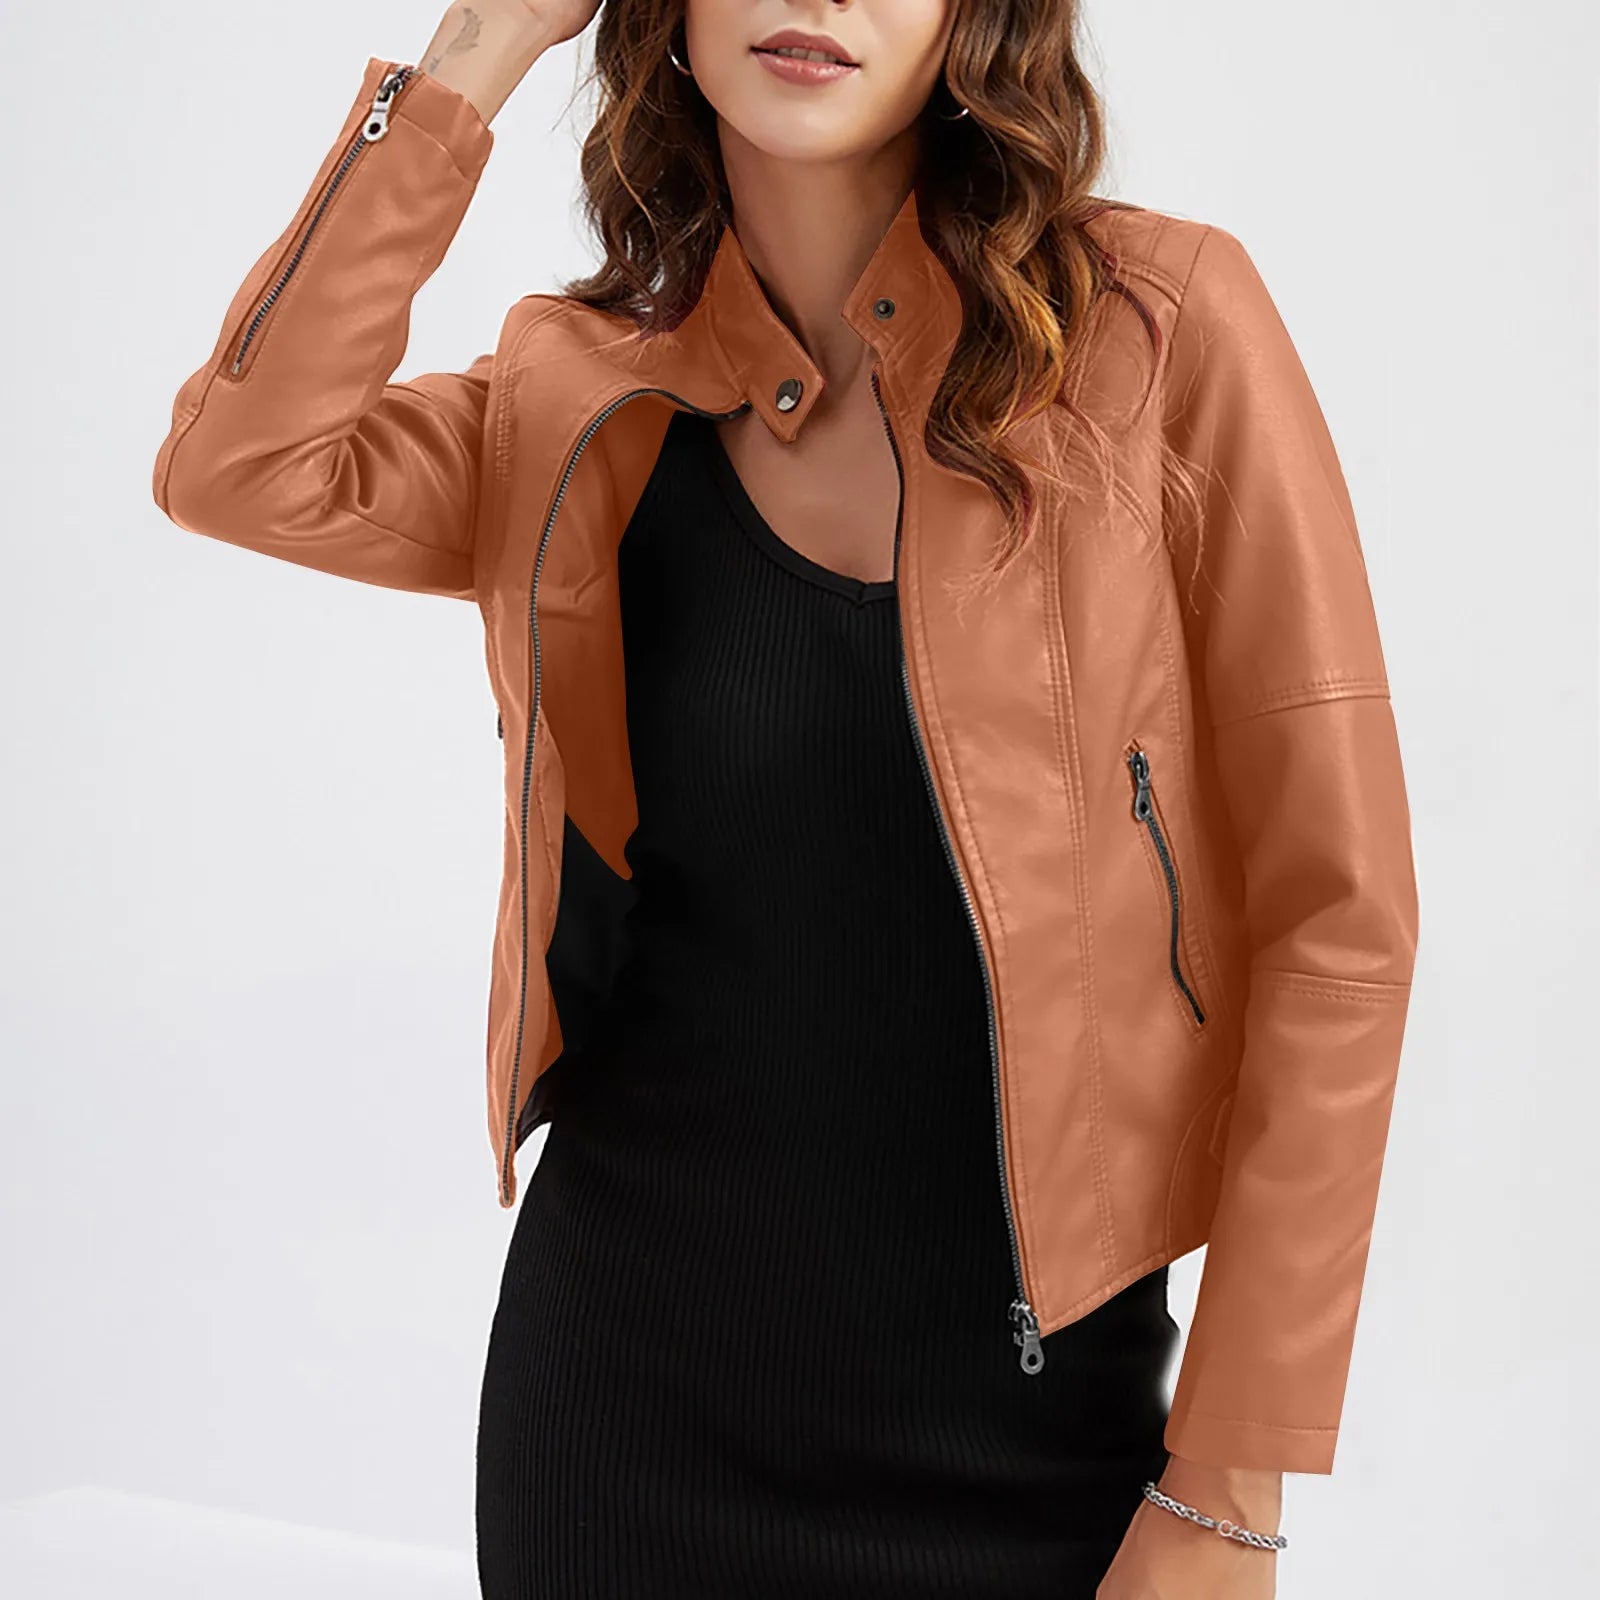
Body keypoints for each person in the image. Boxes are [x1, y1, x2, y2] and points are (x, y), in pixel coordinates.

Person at [151, 1, 1420, 1596]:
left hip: (1042, 1447)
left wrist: (1226, 1488)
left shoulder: (1156, 332)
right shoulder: (577, 396)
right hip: (623, 1421)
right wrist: (481, 44)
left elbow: (1338, 928)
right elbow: (243, 466)